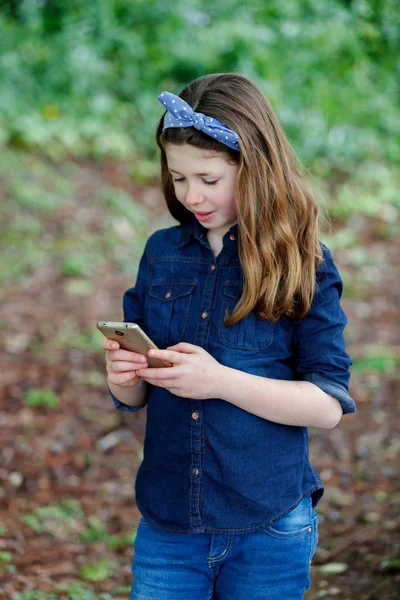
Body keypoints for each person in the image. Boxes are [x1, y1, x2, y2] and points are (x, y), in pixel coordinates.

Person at [101, 72, 356, 600]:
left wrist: (220, 381)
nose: (191, 194)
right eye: (177, 178)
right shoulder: (161, 253)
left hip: (268, 527)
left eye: (209, 179)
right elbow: (135, 395)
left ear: (256, 169)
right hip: (169, 524)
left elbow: (327, 404)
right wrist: (124, 376)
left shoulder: (302, 263)